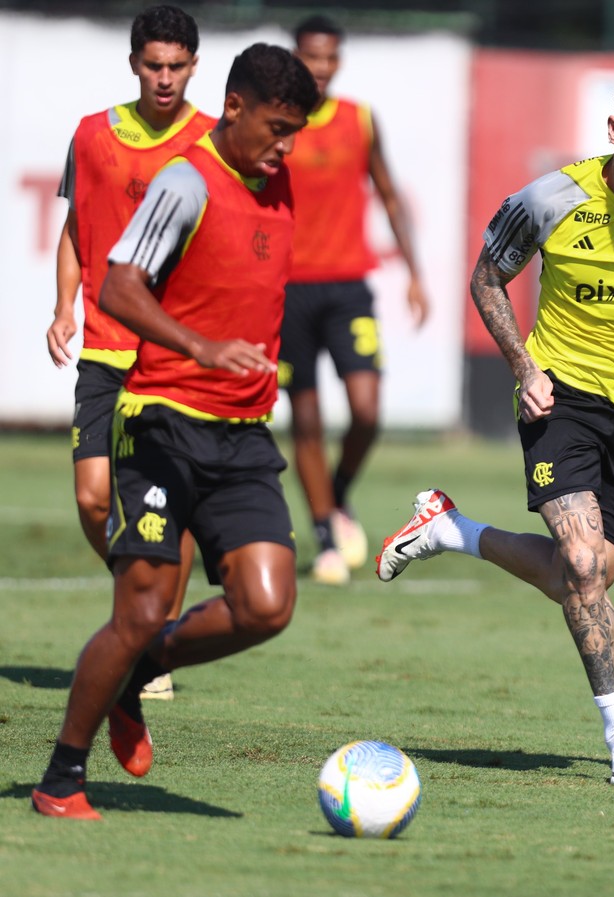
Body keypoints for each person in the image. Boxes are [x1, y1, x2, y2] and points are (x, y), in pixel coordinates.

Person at [376, 66, 614, 787]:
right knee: (578, 566)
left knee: (587, 577)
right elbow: (486, 277)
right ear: (613, 130)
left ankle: (451, 529)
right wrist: (522, 366)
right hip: (559, 396)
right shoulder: (548, 199)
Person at [31, 43, 320, 820]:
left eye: (297, 129)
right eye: (277, 126)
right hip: (162, 423)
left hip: (246, 434)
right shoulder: (187, 182)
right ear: (234, 109)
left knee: (268, 605)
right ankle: (62, 775)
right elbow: (120, 286)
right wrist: (199, 346)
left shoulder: (278, 176)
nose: (286, 145)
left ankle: (144, 667)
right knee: (139, 608)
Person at [46, 5, 215, 701]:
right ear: (133, 63)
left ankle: (155, 637)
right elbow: (76, 228)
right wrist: (63, 307)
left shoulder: (212, 141)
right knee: (93, 499)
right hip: (105, 344)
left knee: (162, 500)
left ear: (195, 67)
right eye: (154, 65)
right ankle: (142, 599)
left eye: (177, 66)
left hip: (171, 359)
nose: (165, 78)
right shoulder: (91, 136)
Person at [279, 14, 430, 586]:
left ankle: (335, 493)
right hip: (289, 290)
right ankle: (323, 534)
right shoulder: (278, 120)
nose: (321, 68)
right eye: (312, 57)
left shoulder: (359, 120)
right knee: (308, 416)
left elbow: (389, 195)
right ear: (296, 56)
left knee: (366, 411)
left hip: (348, 287)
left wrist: (415, 272)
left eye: (330, 58)